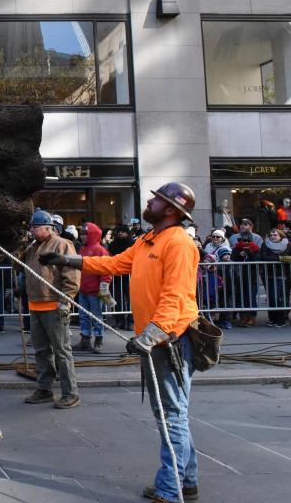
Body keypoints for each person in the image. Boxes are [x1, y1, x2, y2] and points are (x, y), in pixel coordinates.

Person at [41, 182, 201, 503]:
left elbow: (177, 296)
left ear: (171, 209)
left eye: (157, 199)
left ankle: (171, 490)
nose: (150, 201)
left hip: (169, 340)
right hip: (156, 339)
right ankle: (186, 481)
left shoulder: (179, 243)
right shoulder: (148, 240)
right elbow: (114, 264)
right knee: (174, 415)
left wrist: (151, 335)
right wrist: (71, 261)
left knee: (171, 416)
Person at [15, 210, 81, 409]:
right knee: (42, 350)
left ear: (49, 228)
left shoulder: (62, 245)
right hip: (36, 304)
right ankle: (45, 388)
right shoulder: (32, 248)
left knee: (62, 351)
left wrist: (65, 301)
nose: (32, 230)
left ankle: (71, 393)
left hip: (54, 305)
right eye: (32, 227)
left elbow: (72, 275)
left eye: (35, 227)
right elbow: (18, 266)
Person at [75, 222, 113, 354]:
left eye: (84, 234)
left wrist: (104, 288)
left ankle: (98, 340)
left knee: (97, 317)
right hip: (83, 290)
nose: (81, 237)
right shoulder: (83, 249)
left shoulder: (100, 250)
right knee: (83, 316)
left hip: (94, 292)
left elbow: (107, 270)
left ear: (91, 235)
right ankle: (85, 340)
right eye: (81, 234)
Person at [261, 228, 290, 327]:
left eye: (275, 235)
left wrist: (283, 258)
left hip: (281, 274)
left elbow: (287, 256)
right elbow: (264, 256)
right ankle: (272, 318)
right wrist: (279, 258)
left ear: (280, 236)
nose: (273, 237)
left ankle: (280, 319)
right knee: (271, 297)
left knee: (278, 297)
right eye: (271, 235)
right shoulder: (265, 244)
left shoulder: (287, 244)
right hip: (268, 274)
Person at [108, 225, 135, 330]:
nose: (120, 233)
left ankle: (131, 321)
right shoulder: (113, 245)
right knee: (117, 299)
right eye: (118, 231)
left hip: (129, 276)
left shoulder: (132, 244)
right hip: (117, 277)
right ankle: (119, 321)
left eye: (123, 232)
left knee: (130, 299)